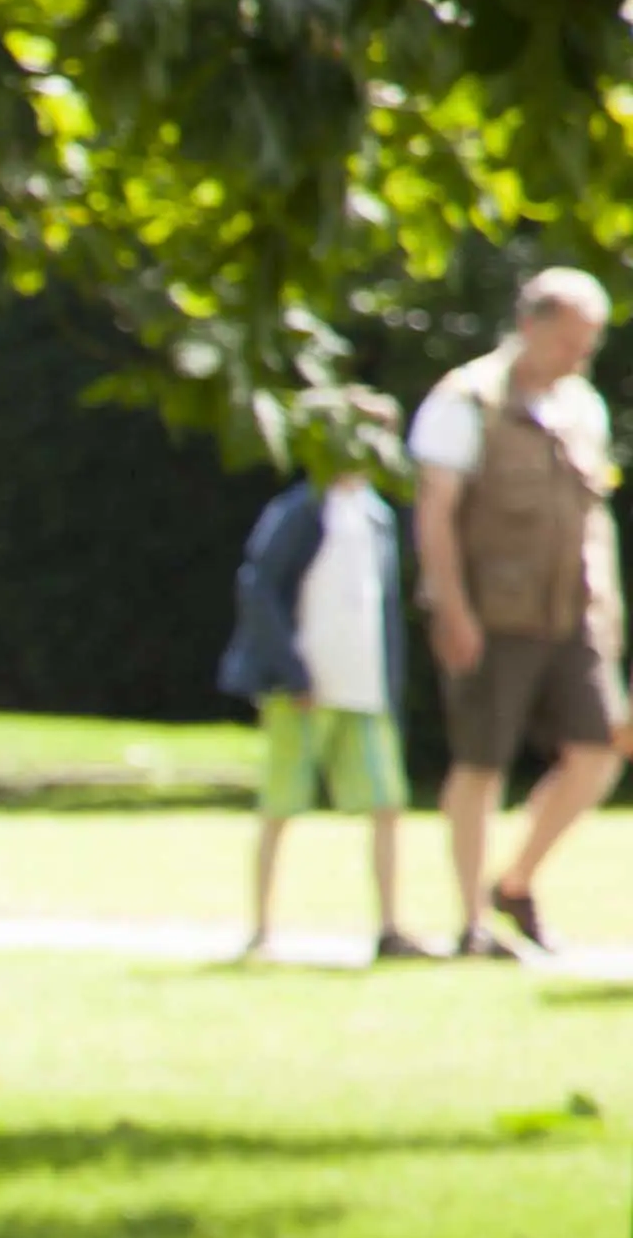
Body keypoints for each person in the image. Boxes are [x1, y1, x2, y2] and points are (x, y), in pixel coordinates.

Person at [409, 266, 618, 957]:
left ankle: (517, 881)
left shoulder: (584, 406)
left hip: (573, 613)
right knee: (481, 762)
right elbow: (435, 513)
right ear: (529, 327)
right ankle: (470, 923)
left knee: (600, 750)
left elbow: (596, 521)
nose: (579, 357)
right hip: (492, 611)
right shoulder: (467, 400)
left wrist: (609, 609)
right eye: (569, 341)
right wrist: (451, 608)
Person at [224, 398, 418, 961]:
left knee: (385, 804)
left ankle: (389, 926)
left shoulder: (378, 516)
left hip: (365, 689)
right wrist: (289, 670)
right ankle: (262, 928)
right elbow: (259, 589)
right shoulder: (302, 511)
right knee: (281, 805)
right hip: (304, 690)